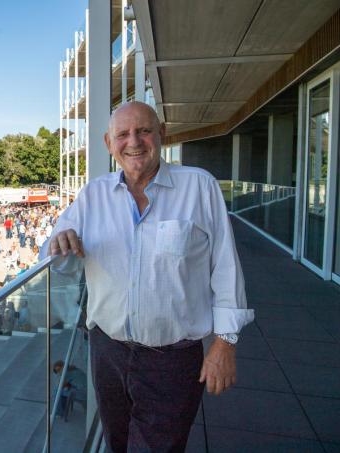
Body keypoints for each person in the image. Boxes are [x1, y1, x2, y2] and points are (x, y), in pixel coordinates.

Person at [47, 102, 254, 451]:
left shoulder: (199, 187)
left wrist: (225, 343)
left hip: (172, 361)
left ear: (162, 134)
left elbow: (226, 267)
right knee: (117, 443)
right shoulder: (92, 195)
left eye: (144, 130)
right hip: (107, 353)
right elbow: (59, 264)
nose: (134, 142)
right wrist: (60, 245)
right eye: (123, 134)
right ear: (108, 143)